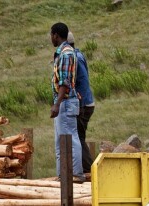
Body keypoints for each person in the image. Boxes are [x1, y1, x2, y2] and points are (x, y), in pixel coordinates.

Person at [50, 22, 83, 180]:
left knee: (69, 138)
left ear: (56, 35)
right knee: (60, 140)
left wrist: (57, 104)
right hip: (62, 101)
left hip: (66, 102)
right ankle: (62, 174)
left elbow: (65, 82)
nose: (51, 38)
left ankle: (75, 173)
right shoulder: (62, 52)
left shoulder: (66, 54)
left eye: (52, 35)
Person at [68, 31, 95, 174]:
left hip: (83, 104)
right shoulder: (78, 55)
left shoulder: (74, 58)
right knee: (79, 137)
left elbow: (82, 83)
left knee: (78, 137)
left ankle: (89, 169)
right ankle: (86, 168)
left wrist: (79, 103)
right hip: (86, 103)